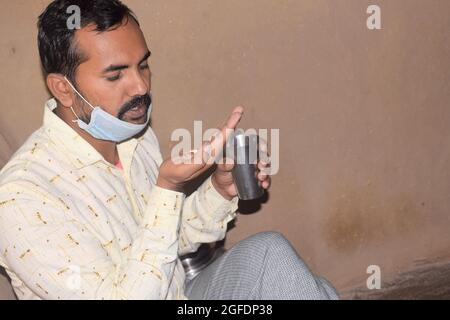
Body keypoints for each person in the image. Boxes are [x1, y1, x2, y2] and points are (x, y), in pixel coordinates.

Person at [0, 0, 338, 300]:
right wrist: (168, 188)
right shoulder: (21, 197)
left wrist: (218, 191)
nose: (141, 86)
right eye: (116, 76)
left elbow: (168, 240)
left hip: (180, 292)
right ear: (64, 88)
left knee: (277, 261)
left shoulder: (133, 136)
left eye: (142, 65)